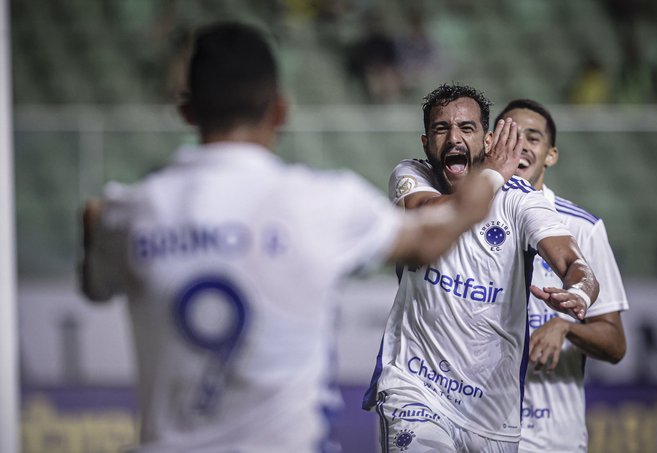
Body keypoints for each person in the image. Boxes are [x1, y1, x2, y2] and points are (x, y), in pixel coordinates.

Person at [79, 23, 521, 453]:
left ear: (187, 111)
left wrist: (98, 224)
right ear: (280, 112)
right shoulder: (324, 202)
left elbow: (93, 281)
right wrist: (492, 176)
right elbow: (433, 235)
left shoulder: (132, 212)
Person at [363, 83, 599, 452]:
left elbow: (573, 262)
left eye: (466, 128)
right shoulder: (411, 176)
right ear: (426, 142)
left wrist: (578, 291)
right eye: (441, 129)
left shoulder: (520, 200)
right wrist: (492, 174)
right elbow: (426, 213)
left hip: (492, 410)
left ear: (488, 140)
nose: (453, 138)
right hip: (416, 388)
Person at [491, 99, 629, 452]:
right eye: (510, 134)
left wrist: (566, 327)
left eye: (532, 138)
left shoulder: (582, 228)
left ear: (550, 155)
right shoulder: (471, 219)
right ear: (491, 143)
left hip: (552, 441)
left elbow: (615, 345)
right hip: (480, 433)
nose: (520, 145)